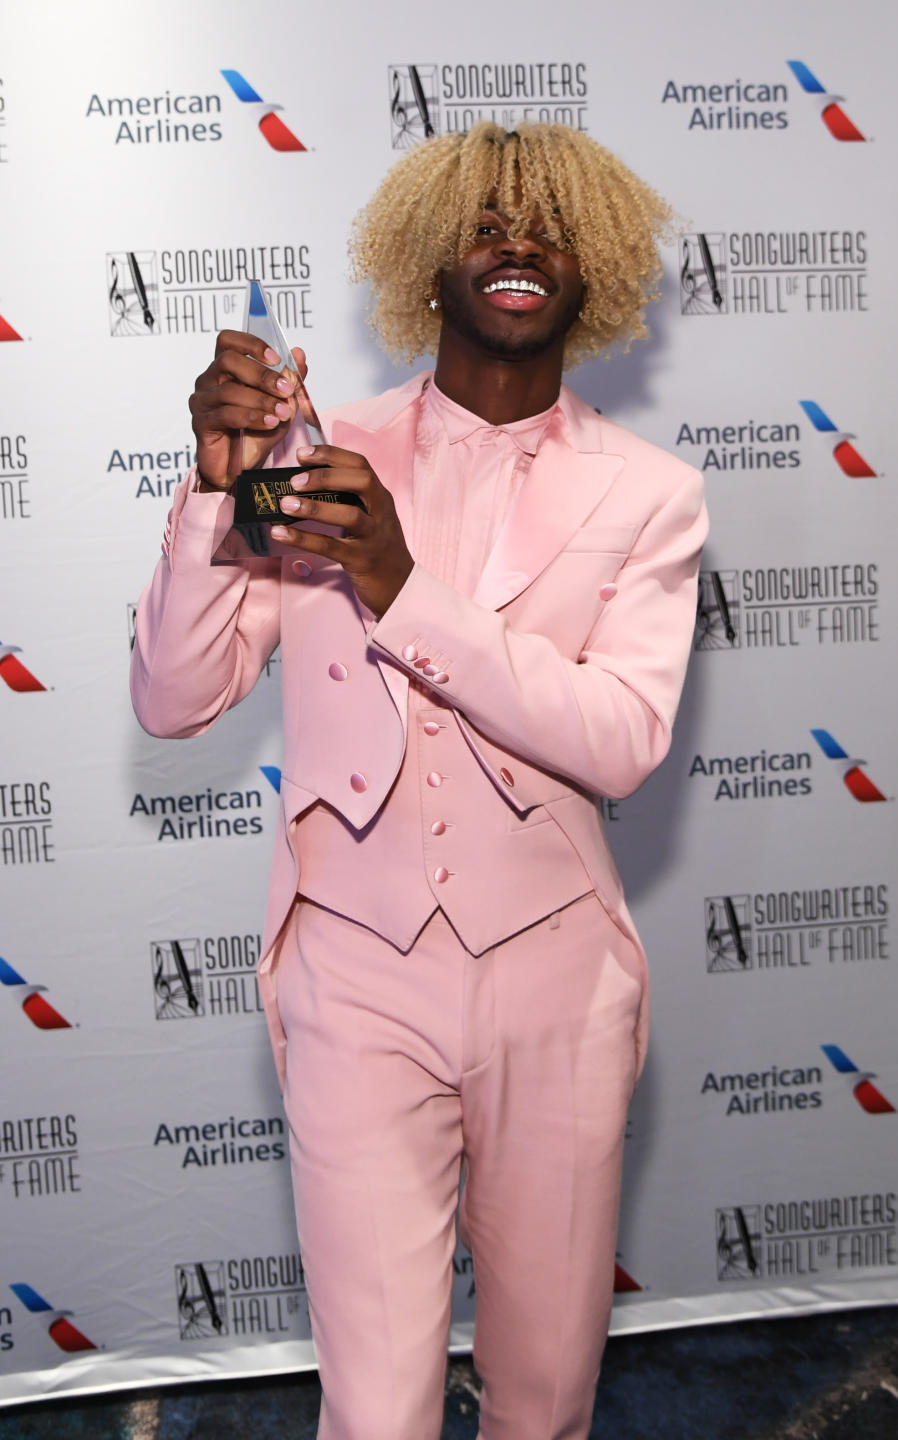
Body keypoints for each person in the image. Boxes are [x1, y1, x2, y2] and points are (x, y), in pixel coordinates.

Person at [131, 122, 707, 1440]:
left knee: (548, 1392)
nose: (518, 247)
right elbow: (173, 699)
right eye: (486, 223)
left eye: (551, 224)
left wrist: (396, 583)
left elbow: (619, 737)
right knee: (377, 1410)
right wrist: (213, 492)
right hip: (356, 971)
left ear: (597, 266)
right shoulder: (320, 452)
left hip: (557, 978)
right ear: (428, 258)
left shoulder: (653, 493)